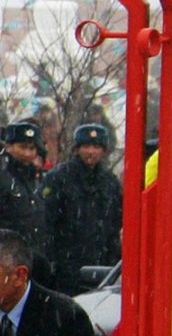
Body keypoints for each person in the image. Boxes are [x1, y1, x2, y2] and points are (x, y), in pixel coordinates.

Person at [41, 123, 122, 292]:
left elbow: (115, 223)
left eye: (96, 147)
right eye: (86, 146)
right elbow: (47, 222)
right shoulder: (59, 178)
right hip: (68, 264)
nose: (91, 152)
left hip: (102, 265)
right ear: (77, 149)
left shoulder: (110, 182)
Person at [0, 121, 48, 267]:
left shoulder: (37, 177)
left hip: (36, 254)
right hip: (7, 256)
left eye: (32, 148)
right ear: (9, 147)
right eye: (22, 147)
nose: (27, 153)